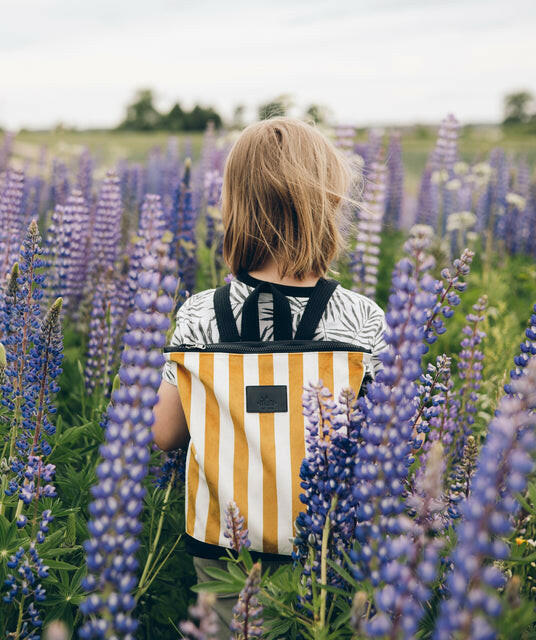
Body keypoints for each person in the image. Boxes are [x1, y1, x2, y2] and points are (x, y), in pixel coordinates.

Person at [152, 116, 387, 638]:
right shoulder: (360, 317)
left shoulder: (200, 314)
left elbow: (165, 433)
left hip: (222, 550)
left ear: (234, 211)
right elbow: (390, 438)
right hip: (330, 549)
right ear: (327, 207)